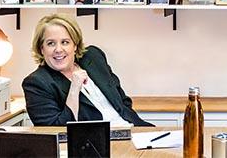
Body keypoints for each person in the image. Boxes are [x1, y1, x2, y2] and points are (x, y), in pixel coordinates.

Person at [22, 14, 151, 127]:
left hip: (134, 130)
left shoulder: (94, 57)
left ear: (75, 45)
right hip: (97, 143)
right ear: (41, 49)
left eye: (65, 42)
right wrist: (74, 89)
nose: (58, 49)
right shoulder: (36, 83)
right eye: (51, 43)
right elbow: (57, 131)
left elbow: (122, 100)